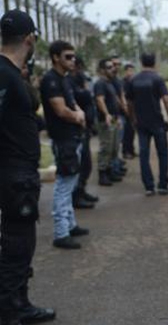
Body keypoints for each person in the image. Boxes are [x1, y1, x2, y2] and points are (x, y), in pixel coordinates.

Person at [0, 9, 55, 325]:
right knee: (16, 247)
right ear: (30, 38)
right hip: (13, 173)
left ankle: (20, 304)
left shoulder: (11, 73)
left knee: (24, 243)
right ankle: (8, 322)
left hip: (20, 173)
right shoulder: (4, 75)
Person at [40, 40, 90, 250]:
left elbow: (72, 103)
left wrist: (79, 112)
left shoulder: (65, 79)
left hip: (73, 137)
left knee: (69, 183)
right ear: (55, 58)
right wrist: (78, 116)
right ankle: (61, 232)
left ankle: (70, 225)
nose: (72, 60)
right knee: (63, 185)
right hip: (64, 139)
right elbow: (61, 110)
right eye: (68, 56)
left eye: (73, 56)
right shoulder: (51, 80)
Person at [125, 52, 168, 196]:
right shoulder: (157, 79)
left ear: (141, 62)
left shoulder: (133, 80)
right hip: (157, 121)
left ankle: (149, 186)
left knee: (144, 154)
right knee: (163, 153)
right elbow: (166, 100)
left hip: (141, 122)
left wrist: (132, 118)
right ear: (154, 63)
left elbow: (129, 102)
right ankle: (163, 185)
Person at [69, 55, 99, 209]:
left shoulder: (80, 79)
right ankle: (76, 196)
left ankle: (81, 190)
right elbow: (83, 96)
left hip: (86, 126)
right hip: (76, 128)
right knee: (80, 164)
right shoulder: (68, 81)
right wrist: (86, 91)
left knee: (86, 163)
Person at [94, 58, 122, 186]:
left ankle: (110, 171)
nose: (113, 69)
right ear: (102, 70)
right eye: (109, 67)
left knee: (114, 147)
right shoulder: (100, 83)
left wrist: (118, 116)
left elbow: (115, 100)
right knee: (106, 147)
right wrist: (106, 114)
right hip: (105, 120)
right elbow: (100, 100)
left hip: (114, 119)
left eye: (113, 66)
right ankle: (102, 173)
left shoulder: (110, 83)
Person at [121, 63, 137, 159]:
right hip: (126, 109)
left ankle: (131, 150)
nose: (131, 73)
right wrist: (125, 107)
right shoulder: (123, 82)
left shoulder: (133, 81)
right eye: (129, 70)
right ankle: (126, 151)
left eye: (132, 70)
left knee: (132, 131)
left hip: (133, 110)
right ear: (125, 71)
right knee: (126, 132)